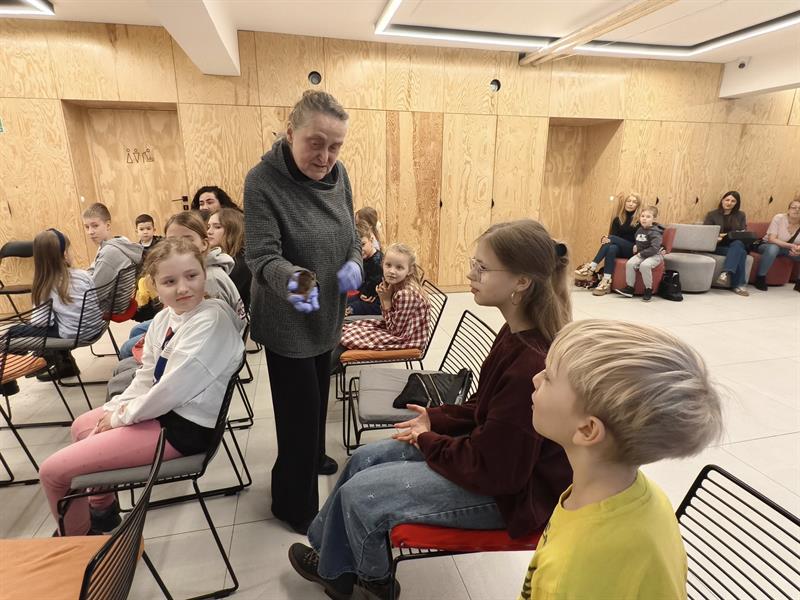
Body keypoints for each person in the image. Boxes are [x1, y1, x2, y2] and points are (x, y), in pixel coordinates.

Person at [288, 219, 573, 600]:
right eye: (473, 264)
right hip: (490, 462)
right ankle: (334, 562)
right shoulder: (514, 333)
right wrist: (434, 420)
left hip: (510, 499)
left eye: (482, 268)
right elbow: (483, 408)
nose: (470, 274)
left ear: (521, 282)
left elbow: (498, 473)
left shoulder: (529, 364)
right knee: (364, 459)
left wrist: (429, 441)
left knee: (362, 494)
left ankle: (372, 580)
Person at [38, 238, 245, 536]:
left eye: (192, 276)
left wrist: (120, 418)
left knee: (53, 473)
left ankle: (76, 545)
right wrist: (114, 409)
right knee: (82, 426)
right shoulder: (164, 318)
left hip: (185, 428)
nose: (183, 288)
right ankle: (102, 512)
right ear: (154, 285)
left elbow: (170, 390)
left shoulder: (211, 321)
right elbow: (147, 376)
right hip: (165, 412)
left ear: (204, 273)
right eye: (170, 281)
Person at [518, 319, 723, 599]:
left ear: (587, 430)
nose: (536, 378)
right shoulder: (642, 496)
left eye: (549, 377)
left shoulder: (572, 571)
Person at [244, 90, 362, 534]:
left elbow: (351, 232)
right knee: (299, 415)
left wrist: (354, 261)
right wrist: (292, 279)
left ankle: (313, 456)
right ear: (291, 132)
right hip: (287, 317)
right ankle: (292, 503)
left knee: (317, 395)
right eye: (316, 143)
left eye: (335, 147)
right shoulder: (263, 181)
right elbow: (261, 255)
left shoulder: (339, 174)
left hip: (327, 311)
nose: (325, 157)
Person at [119, 211, 245, 360]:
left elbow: (210, 336)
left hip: (204, 346)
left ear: (204, 243)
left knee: (127, 349)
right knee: (137, 331)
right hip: (186, 325)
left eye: (187, 240)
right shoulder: (197, 267)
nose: (179, 247)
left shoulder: (208, 279)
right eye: (172, 241)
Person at [333, 242, 428, 371]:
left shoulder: (405, 294)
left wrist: (385, 301)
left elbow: (395, 331)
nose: (392, 271)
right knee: (349, 328)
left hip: (407, 340)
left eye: (399, 267)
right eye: (388, 265)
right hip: (400, 331)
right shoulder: (397, 284)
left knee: (347, 336)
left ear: (410, 270)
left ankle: (326, 369)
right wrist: (385, 300)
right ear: (382, 264)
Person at [29, 229, 99, 380]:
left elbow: (40, 322)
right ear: (65, 254)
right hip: (95, 328)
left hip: (74, 334)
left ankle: (30, 364)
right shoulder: (84, 275)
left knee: (11, 332)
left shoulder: (45, 286)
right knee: (59, 319)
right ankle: (59, 363)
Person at [574, 192, 642, 296]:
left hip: (632, 249)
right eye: (628, 201)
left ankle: (591, 267)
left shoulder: (640, 220)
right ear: (624, 203)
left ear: (638, 205)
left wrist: (609, 238)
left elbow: (646, 234)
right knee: (611, 248)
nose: (631, 204)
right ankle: (606, 281)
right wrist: (607, 240)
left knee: (610, 238)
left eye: (634, 202)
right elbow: (612, 240)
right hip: (619, 249)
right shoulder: (618, 219)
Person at [82, 202, 143, 290]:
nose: (90, 232)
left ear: (108, 225)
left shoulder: (109, 252)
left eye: (95, 226)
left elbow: (93, 291)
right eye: (87, 227)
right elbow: (92, 270)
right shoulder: (120, 242)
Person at [704, 191, 750, 296]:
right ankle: (739, 285)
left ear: (736, 204)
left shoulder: (740, 215)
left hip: (733, 245)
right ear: (722, 200)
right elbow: (707, 233)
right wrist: (721, 236)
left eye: (733, 201)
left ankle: (725, 273)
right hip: (717, 245)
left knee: (738, 244)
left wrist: (736, 234)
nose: (729, 203)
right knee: (741, 252)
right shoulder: (712, 215)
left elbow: (743, 232)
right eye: (727, 200)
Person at [614, 205, 664, 302]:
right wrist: (636, 246)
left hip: (654, 255)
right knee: (630, 263)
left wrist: (641, 254)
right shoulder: (640, 229)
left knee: (644, 266)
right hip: (642, 254)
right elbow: (641, 241)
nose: (644, 219)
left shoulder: (655, 232)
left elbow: (654, 248)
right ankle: (630, 288)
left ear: (654, 219)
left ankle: (648, 289)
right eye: (642, 216)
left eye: (648, 217)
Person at [207, 207, 252, 310]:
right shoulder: (222, 258)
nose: (209, 232)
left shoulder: (240, 263)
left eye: (217, 227)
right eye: (208, 227)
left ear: (233, 230)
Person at [754, 197, 800, 291]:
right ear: (788, 210)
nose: (797, 210)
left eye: (799, 208)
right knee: (773, 248)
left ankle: (799, 283)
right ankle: (760, 277)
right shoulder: (779, 218)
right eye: (793, 207)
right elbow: (772, 239)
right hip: (767, 246)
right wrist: (791, 246)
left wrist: (798, 250)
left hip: (787, 250)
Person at [345, 221, 384, 316]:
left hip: (376, 301)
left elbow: (375, 282)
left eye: (363, 244)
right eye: (357, 247)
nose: (360, 250)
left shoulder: (377, 261)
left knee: (353, 307)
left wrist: (366, 293)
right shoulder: (364, 259)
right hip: (364, 294)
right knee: (343, 301)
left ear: (371, 240)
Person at [133, 213, 163, 321]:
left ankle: (158, 307)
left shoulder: (160, 244)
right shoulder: (135, 249)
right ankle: (144, 308)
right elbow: (136, 269)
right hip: (143, 279)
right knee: (142, 287)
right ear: (137, 231)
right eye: (141, 229)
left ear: (154, 230)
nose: (145, 232)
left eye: (148, 228)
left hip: (157, 276)